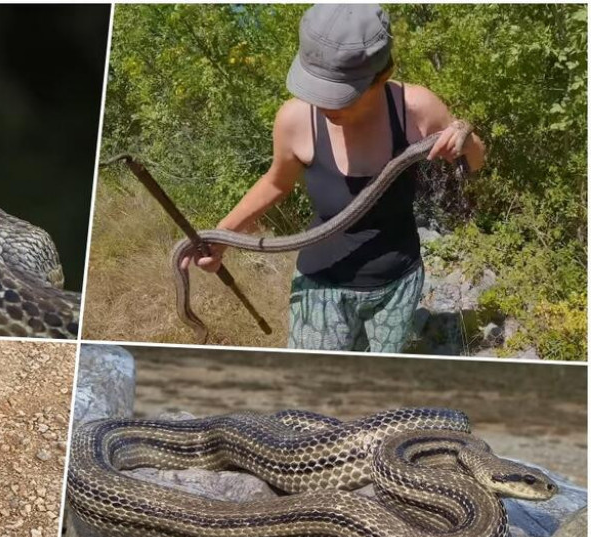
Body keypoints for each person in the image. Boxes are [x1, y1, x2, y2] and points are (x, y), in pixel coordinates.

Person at [185, 4, 485, 353]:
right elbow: (275, 183)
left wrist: (465, 135)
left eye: (340, 94)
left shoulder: (416, 109)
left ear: (383, 74)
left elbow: (475, 160)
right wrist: (219, 236)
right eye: (317, 88)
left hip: (397, 284)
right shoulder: (295, 120)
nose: (325, 105)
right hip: (321, 286)